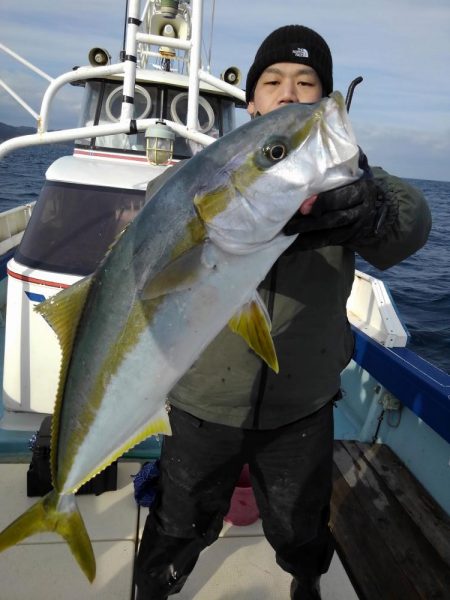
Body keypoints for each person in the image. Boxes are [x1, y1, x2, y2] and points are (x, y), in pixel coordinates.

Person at [135, 25, 431, 600]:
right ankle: (156, 584)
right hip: (202, 402)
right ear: (252, 102)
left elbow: (412, 224)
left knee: (299, 521)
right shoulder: (199, 181)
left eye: (305, 82)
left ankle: (306, 578)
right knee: (180, 518)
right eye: (272, 82)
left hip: (302, 407)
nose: (288, 93)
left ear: (322, 102)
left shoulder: (347, 183)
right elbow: (151, 234)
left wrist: (370, 205)